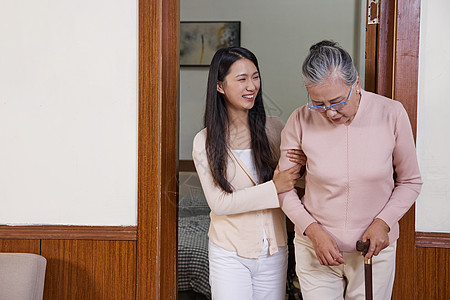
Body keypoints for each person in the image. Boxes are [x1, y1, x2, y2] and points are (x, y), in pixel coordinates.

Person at [278, 40, 423, 299]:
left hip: (372, 251)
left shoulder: (391, 114)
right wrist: (312, 230)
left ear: (356, 84)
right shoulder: (299, 120)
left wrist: (383, 222)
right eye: (318, 104)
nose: (330, 113)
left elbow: (410, 182)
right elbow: (283, 189)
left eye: (336, 102)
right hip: (316, 248)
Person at [192, 46, 304, 300]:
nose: (251, 86)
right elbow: (220, 203)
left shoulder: (275, 128)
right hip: (229, 253)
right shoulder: (205, 141)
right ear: (220, 86)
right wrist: (274, 188)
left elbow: (297, 177)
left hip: (275, 251)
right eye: (241, 79)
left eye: (255, 76)